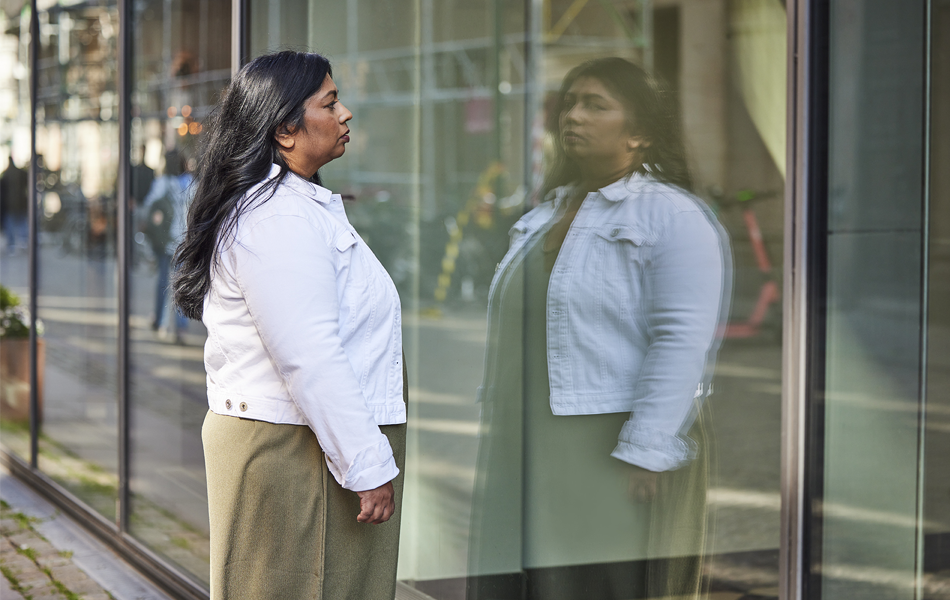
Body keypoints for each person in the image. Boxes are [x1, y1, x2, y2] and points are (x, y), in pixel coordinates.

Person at [468, 57, 731, 600]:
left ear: (640, 134)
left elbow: (681, 341)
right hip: (530, 436)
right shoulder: (543, 215)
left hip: (610, 442)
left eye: (595, 105)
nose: (573, 116)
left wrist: (647, 449)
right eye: (569, 103)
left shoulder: (672, 216)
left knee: (600, 584)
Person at [172, 51, 407, 599]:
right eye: (330, 102)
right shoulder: (278, 217)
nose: (345, 113)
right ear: (284, 130)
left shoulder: (290, 207)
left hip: (303, 445)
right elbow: (310, 355)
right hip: (294, 451)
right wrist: (367, 464)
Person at [142, 149, 192, 340]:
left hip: (166, 240)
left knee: (163, 280)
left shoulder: (162, 182)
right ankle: (181, 328)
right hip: (184, 241)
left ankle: (160, 322)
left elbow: (150, 204)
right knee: (181, 284)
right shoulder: (190, 182)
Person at [2, 157, 28, 255]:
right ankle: (22, 241)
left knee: (12, 223)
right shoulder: (19, 173)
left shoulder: (6, 173)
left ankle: (13, 243)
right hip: (19, 202)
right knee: (20, 222)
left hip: (11, 203)